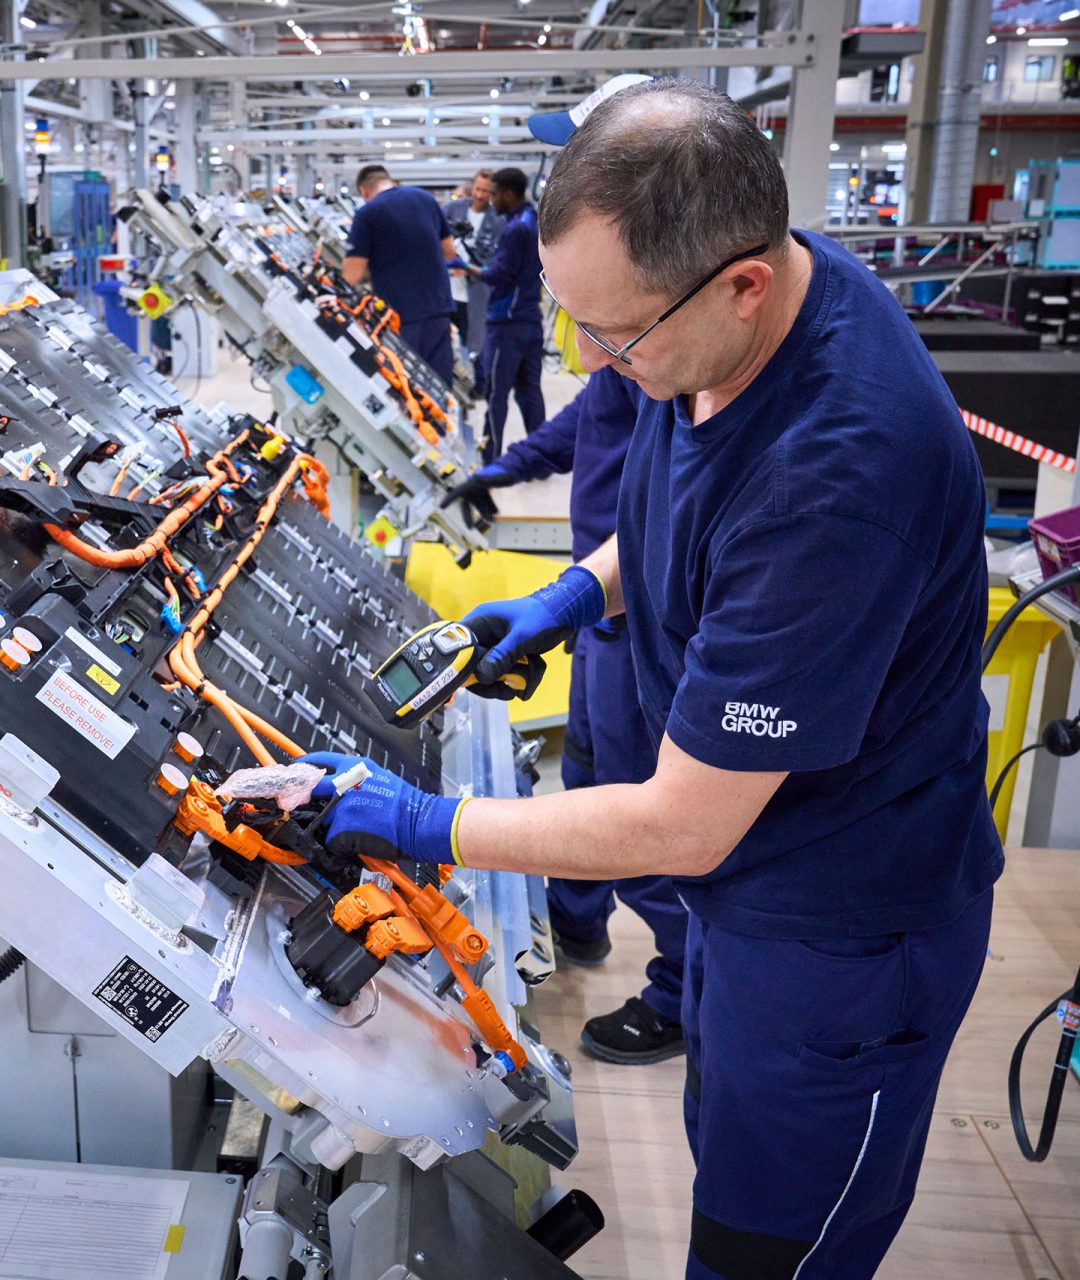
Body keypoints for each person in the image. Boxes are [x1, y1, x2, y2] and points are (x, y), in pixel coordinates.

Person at [306, 78, 1000, 1278]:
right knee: (722, 1157)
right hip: (754, 900)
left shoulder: (840, 472)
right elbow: (691, 503)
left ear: (741, 282)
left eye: (617, 336)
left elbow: (680, 822)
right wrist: (580, 590)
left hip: (842, 935)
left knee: (766, 1250)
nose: (597, 363)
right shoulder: (746, 303)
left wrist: (428, 821)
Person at [450, 367, 687, 1065]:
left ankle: (683, 996)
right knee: (584, 770)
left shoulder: (676, 359)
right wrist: (501, 470)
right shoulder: (626, 357)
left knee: (635, 807)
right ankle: (578, 919)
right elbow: (584, 422)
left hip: (642, 611)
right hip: (598, 604)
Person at [341, 164, 461, 389]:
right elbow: (449, 252)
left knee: (407, 384)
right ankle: (443, 423)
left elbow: (352, 273)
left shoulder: (367, 212)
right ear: (388, 180)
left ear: (364, 191)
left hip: (401, 315)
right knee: (438, 384)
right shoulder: (425, 198)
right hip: (438, 306)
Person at [467, 167, 543, 459]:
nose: (491, 199)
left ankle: (490, 458)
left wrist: (467, 268)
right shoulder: (532, 220)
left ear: (509, 194)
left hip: (506, 324)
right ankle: (539, 457)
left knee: (497, 393)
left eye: (495, 193)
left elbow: (498, 274)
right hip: (530, 320)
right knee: (529, 392)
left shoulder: (514, 230)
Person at [441, 169, 505, 388]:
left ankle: (476, 384)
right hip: (447, 289)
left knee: (473, 341)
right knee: (445, 339)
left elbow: (498, 262)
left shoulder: (498, 222)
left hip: (475, 293)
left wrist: (469, 269)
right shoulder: (452, 210)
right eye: (478, 189)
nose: (480, 195)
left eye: (486, 192)